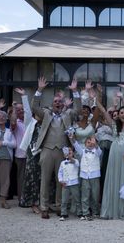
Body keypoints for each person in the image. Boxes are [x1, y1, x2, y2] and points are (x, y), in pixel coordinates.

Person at [31, 76, 80, 219]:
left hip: (63, 151)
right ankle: (44, 207)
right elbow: (34, 106)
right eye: (55, 101)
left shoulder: (68, 114)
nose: (58, 103)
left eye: (60, 102)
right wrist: (39, 90)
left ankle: (60, 206)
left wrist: (75, 91)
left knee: (62, 181)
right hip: (47, 150)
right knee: (45, 180)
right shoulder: (46, 113)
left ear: (63, 104)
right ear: (52, 104)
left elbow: (78, 109)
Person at [98, 100, 124, 220]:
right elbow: (104, 111)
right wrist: (98, 96)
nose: (123, 114)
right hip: (114, 153)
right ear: (119, 114)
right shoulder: (114, 125)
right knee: (114, 178)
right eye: (121, 112)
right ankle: (111, 209)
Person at [72, 133, 102, 219]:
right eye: (88, 142)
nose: (90, 144)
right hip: (85, 176)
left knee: (95, 195)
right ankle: (85, 212)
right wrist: (72, 137)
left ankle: (95, 211)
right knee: (85, 195)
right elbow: (75, 144)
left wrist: (95, 143)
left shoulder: (97, 152)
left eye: (91, 142)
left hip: (95, 176)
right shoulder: (82, 151)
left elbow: (98, 149)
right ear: (85, 144)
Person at [57, 146, 81, 221]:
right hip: (65, 184)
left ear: (73, 153)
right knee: (64, 200)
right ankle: (63, 213)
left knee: (77, 198)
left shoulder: (76, 161)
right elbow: (60, 173)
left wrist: (71, 158)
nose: (69, 152)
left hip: (74, 183)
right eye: (67, 151)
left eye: (70, 151)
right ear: (64, 154)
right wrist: (61, 180)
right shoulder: (62, 163)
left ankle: (80, 213)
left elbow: (76, 164)